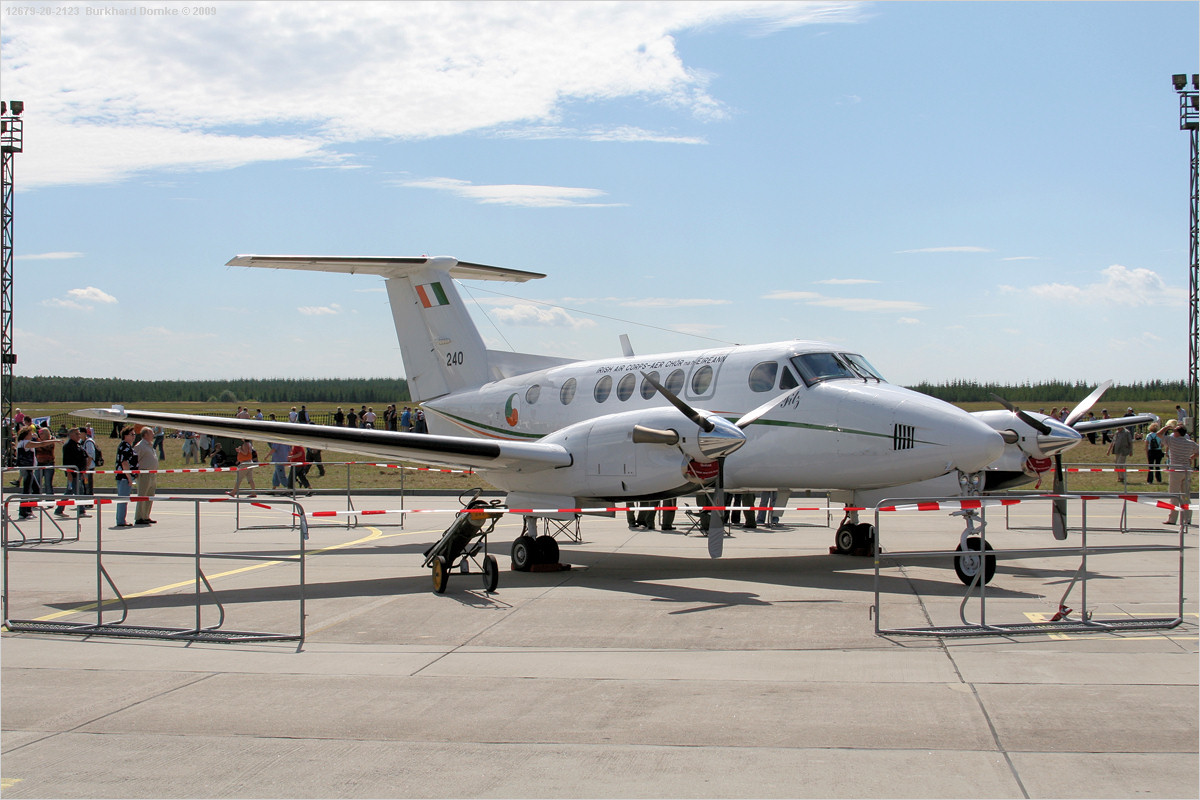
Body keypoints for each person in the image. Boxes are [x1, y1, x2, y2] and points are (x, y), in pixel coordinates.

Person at [1164, 424, 1198, 527]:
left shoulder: (1173, 440)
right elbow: (1198, 450)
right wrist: (1191, 458)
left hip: (1176, 471)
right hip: (1186, 471)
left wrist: (1166, 427)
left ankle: (1172, 518)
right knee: (1186, 496)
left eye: (1174, 431)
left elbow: (1159, 434)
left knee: (1174, 495)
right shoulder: (1190, 443)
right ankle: (1187, 519)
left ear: (1178, 433)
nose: (1173, 432)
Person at [59, 427, 90, 518]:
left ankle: (59, 509)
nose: (79, 435)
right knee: (79, 492)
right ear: (71, 435)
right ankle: (81, 511)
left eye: (79, 433)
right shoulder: (68, 446)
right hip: (73, 473)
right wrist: (68, 473)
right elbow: (66, 461)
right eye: (76, 434)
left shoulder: (78, 444)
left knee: (69, 491)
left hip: (79, 472)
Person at [133, 427, 159, 525]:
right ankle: (139, 517)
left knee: (150, 495)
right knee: (142, 495)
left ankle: (146, 516)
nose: (153, 435)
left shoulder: (150, 445)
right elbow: (135, 459)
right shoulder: (140, 446)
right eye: (151, 433)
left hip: (152, 473)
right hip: (144, 473)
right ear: (145, 435)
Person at [114, 427, 138, 527]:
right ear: (125, 436)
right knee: (123, 499)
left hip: (125, 476)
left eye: (134, 434)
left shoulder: (127, 446)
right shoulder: (125, 447)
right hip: (124, 477)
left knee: (124, 499)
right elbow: (124, 463)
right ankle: (121, 520)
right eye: (132, 434)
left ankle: (121, 519)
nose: (134, 437)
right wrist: (129, 478)